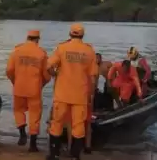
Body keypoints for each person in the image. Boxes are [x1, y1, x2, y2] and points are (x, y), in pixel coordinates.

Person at [46, 23, 98, 160]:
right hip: (80, 95)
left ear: (70, 34)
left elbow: (49, 65)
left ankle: (54, 154)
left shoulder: (62, 48)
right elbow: (93, 77)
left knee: (56, 123)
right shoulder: (89, 51)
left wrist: (54, 74)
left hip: (62, 94)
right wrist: (90, 95)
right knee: (78, 126)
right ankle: (75, 156)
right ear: (82, 35)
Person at [6, 29, 50, 152]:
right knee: (35, 115)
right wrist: (42, 84)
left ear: (27, 37)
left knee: (18, 110)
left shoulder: (16, 51)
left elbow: (9, 70)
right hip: (34, 89)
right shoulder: (41, 53)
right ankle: (33, 145)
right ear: (37, 39)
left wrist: (15, 81)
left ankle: (22, 132)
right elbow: (46, 75)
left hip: (19, 87)